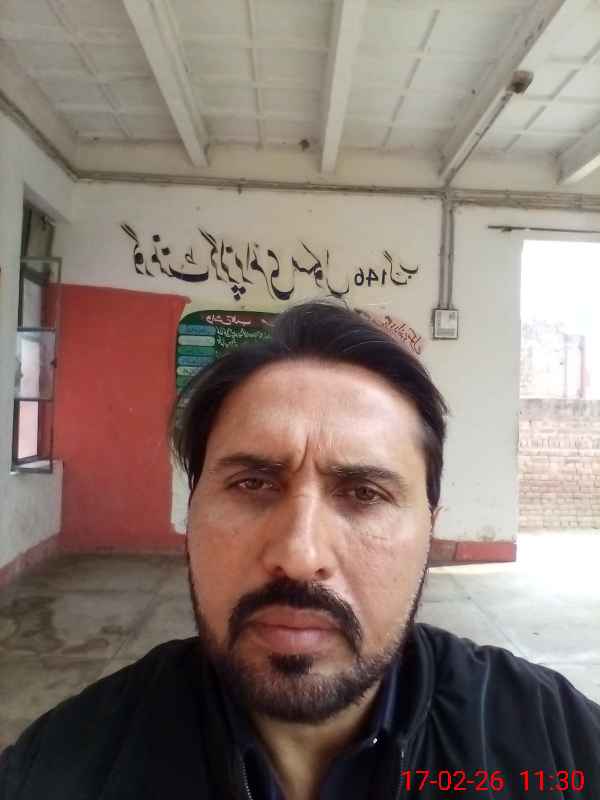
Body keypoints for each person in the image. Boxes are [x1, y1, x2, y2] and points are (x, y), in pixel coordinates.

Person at [1, 298, 598, 799]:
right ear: (191, 511)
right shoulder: (60, 769)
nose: (299, 554)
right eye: (252, 484)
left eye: (364, 493)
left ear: (429, 531)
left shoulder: (557, 747)